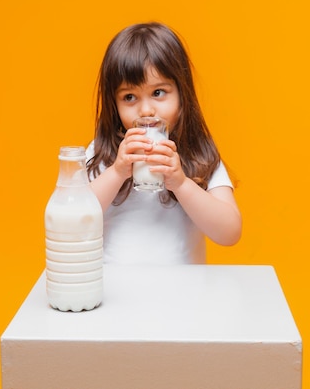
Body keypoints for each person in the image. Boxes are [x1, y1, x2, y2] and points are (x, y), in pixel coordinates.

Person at [86, 22, 242, 265]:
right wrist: (117, 172)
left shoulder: (198, 152)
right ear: (113, 105)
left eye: (158, 92)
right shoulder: (103, 153)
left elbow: (230, 232)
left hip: (183, 295)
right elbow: (74, 221)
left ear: (182, 94)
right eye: (129, 97)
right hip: (116, 294)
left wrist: (181, 183)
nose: (146, 109)